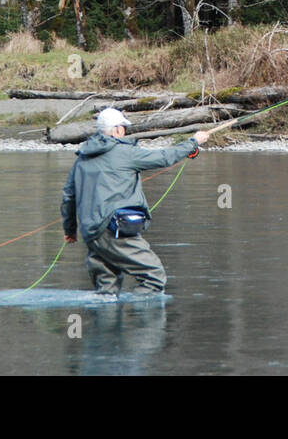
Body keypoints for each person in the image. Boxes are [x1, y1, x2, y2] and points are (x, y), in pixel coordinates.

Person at [61, 107, 213, 298]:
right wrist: (193, 142)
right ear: (117, 130)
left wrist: (69, 230)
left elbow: (68, 196)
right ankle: (140, 321)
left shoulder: (82, 158)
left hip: (91, 235)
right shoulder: (125, 152)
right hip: (114, 231)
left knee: (106, 292)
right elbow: (164, 158)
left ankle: (107, 324)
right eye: (123, 127)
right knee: (154, 277)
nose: (124, 131)